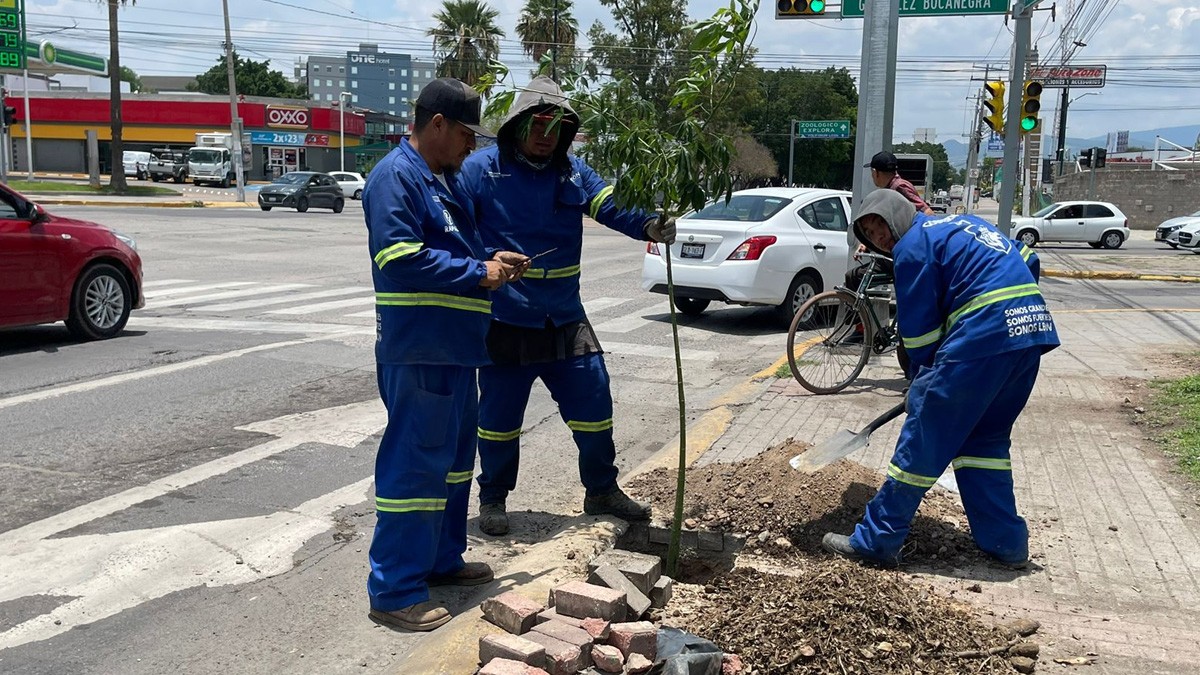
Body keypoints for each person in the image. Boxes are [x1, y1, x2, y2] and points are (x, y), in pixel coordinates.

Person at [457, 76, 676, 536]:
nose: (545, 134)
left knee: (596, 404)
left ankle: (601, 490)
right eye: (537, 124)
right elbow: (452, 231)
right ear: (517, 125)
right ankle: (493, 498)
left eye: (557, 126)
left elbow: (613, 206)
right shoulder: (480, 170)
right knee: (498, 421)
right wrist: (485, 261)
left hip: (564, 317)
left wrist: (652, 226)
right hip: (504, 318)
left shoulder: (575, 172)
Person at [362, 77, 529, 632]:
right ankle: (394, 591)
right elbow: (400, 255)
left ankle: (440, 560)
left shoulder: (440, 180)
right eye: (464, 133)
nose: (470, 145)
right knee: (415, 466)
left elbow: (455, 248)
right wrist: (478, 272)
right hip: (421, 349)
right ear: (436, 124)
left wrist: (492, 258)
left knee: (454, 466)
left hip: (457, 352)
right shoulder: (396, 178)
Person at [822, 189, 1059, 569]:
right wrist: (1010, 299)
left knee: (923, 441)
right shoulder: (963, 223)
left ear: (898, 215)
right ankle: (1006, 543)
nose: (879, 237)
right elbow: (1027, 257)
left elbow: (919, 336)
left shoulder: (912, 247)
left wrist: (922, 381)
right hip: (1029, 334)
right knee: (984, 442)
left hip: (981, 339)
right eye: (869, 232)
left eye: (880, 225)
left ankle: (876, 539)